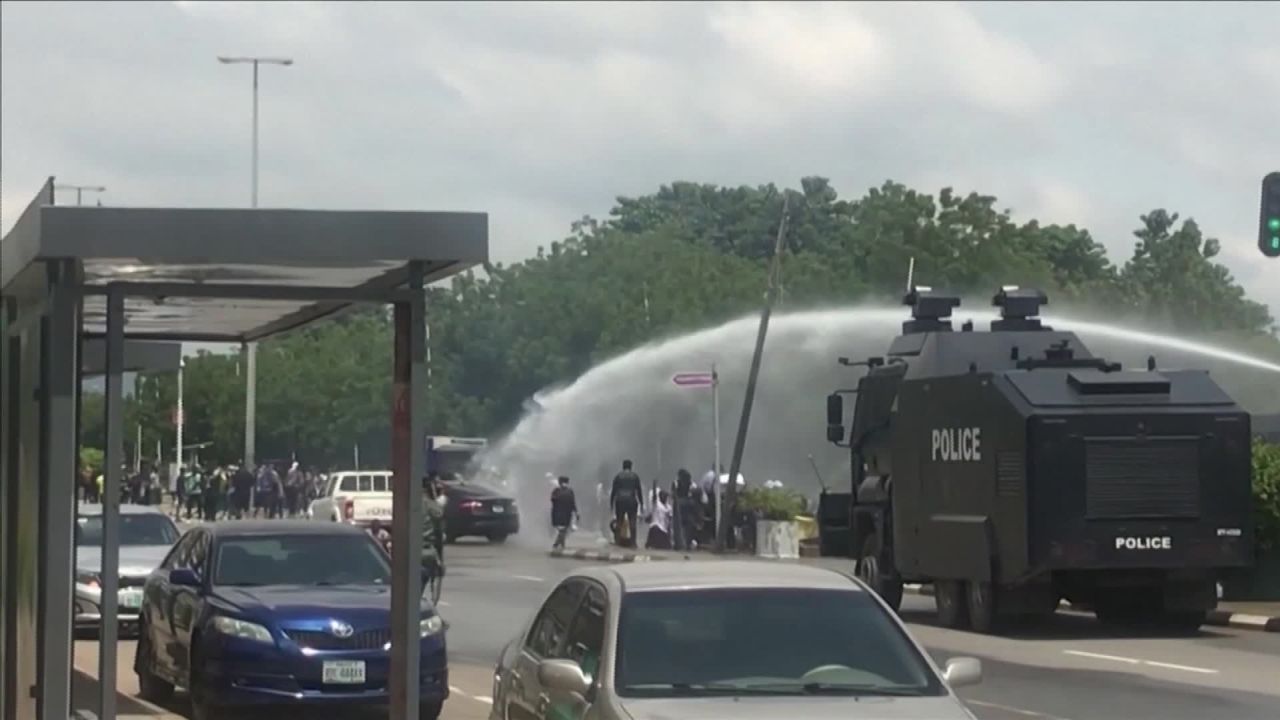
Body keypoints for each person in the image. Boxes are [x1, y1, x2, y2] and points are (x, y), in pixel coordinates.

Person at [609, 459, 643, 548]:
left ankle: (617, 541)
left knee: (619, 521)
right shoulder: (635, 476)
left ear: (623, 466)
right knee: (632, 522)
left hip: (620, 500)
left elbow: (614, 491)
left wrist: (611, 503)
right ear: (631, 466)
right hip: (631, 500)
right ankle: (633, 543)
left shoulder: (618, 476)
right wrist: (641, 503)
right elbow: (639, 491)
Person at [550, 476, 579, 550]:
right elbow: (573, 503)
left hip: (558, 513)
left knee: (562, 530)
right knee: (563, 530)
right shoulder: (569, 491)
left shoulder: (556, 491)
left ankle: (557, 544)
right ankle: (560, 544)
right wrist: (576, 512)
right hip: (566, 514)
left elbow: (553, 500)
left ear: (560, 482)